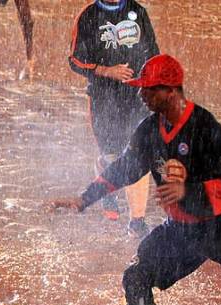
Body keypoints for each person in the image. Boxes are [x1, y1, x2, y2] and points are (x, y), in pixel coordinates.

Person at [52, 54, 221, 305]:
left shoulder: (205, 127)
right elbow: (125, 168)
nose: (140, 94)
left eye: (148, 89)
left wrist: (190, 192)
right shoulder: (148, 129)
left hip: (218, 226)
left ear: (171, 91)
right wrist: (84, 199)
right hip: (180, 230)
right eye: (140, 88)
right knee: (135, 278)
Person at [69, 0, 159, 237]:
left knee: (138, 156)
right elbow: (75, 60)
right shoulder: (88, 16)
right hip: (104, 100)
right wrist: (105, 71)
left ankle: (136, 221)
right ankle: (107, 186)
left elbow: (154, 53)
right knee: (111, 155)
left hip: (137, 99)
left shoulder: (138, 12)